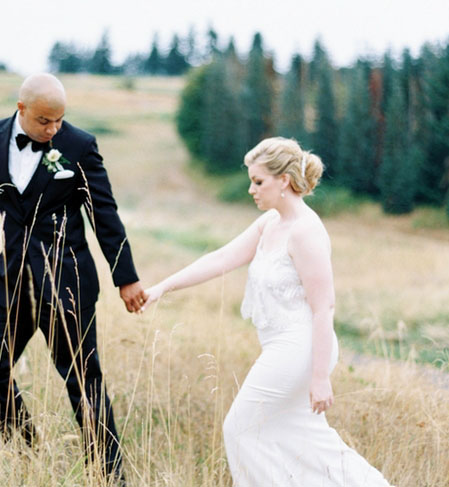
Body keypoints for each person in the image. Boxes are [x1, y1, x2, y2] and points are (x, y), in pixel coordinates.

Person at [142, 137, 392, 486]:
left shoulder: (306, 231)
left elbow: (325, 308)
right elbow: (222, 258)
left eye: (258, 181)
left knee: (240, 429)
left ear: (284, 181)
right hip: (281, 347)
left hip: (301, 348)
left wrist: (320, 377)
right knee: (305, 441)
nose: (251, 189)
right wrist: (162, 287)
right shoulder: (269, 224)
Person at [0, 73, 146, 482]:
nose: (53, 129)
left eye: (59, 120)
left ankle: (109, 476)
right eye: (45, 121)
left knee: (82, 379)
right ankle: (28, 451)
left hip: (68, 282)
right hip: (10, 281)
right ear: (21, 108)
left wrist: (124, 276)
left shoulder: (78, 145)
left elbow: (104, 213)